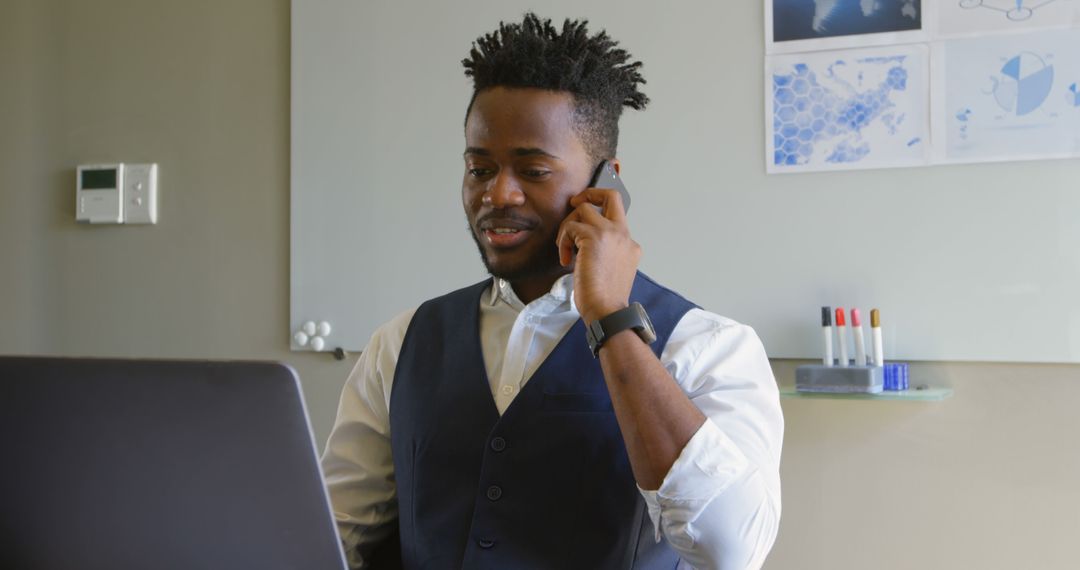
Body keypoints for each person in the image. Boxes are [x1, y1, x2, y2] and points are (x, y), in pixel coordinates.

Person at [320, 13, 783, 570]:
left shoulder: (710, 347)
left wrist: (610, 316)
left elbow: (731, 550)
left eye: (533, 170)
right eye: (479, 168)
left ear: (604, 182)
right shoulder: (401, 343)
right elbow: (331, 535)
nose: (498, 193)